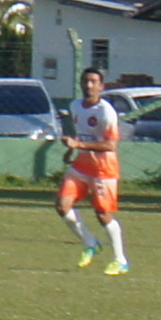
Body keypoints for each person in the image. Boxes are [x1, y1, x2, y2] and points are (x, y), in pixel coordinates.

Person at [57, 64, 130, 276]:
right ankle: (90, 243)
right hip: (81, 165)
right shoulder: (75, 106)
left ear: (101, 86)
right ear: (81, 84)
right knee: (62, 205)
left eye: (94, 82)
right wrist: (72, 150)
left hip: (103, 169)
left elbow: (110, 145)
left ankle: (120, 260)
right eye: (86, 81)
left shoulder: (106, 112)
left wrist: (78, 146)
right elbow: (82, 135)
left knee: (103, 215)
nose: (89, 85)